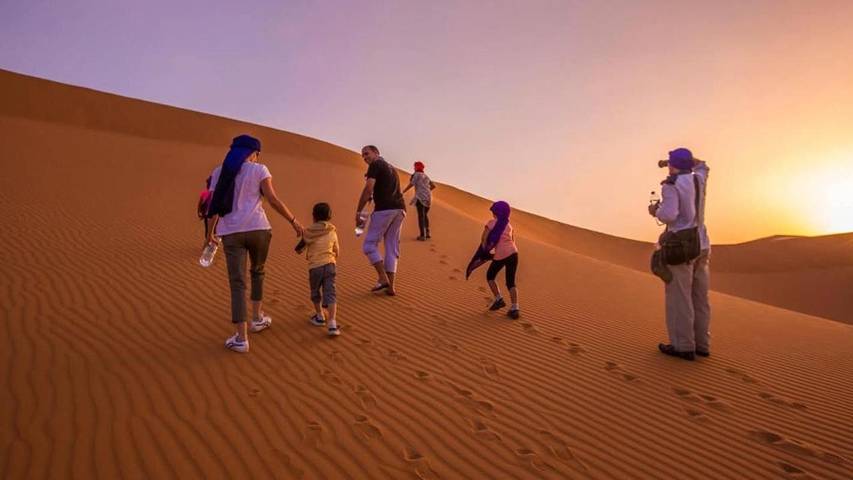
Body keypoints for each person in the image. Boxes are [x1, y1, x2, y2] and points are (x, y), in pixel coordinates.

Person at [206, 134, 304, 353]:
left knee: (237, 283)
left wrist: (209, 234)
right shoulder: (259, 169)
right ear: (254, 153)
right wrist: (293, 221)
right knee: (258, 272)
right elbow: (272, 199)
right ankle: (258, 318)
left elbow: (213, 206)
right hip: (259, 229)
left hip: (231, 233)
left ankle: (241, 339)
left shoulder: (219, 171)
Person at [648, 147, 711, 361]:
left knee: (679, 297)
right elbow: (703, 166)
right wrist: (682, 163)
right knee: (699, 297)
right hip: (701, 244)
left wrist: (655, 211)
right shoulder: (699, 179)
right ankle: (702, 344)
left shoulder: (671, 185)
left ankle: (683, 345)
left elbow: (669, 215)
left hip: (681, 246)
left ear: (674, 164)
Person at [355, 145, 406, 296]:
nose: (365, 158)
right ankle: (391, 287)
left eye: (367, 154)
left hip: (385, 209)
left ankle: (383, 278)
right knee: (391, 247)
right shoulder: (390, 168)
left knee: (369, 245)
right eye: (363, 156)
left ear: (376, 153)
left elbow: (368, 188)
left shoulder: (376, 164)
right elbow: (380, 189)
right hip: (400, 209)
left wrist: (358, 211)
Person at [296, 202, 341, 337]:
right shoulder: (332, 231)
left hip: (315, 267)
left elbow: (299, 249)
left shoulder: (309, 231)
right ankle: (332, 323)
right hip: (330, 265)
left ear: (314, 216)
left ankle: (320, 316)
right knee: (330, 292)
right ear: (329, 216)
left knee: (315, 292)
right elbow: (337, 250)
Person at [475, 201, 521, 319]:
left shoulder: (492, 223)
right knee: (510, 281)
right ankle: (515, 307)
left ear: (496, 212)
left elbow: (484, 237)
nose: (492, 214)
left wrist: (484, 251)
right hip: (514, 253)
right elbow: (512, 239)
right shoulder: (509, 225)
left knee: (490, 276)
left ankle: (498, 299)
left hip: (501, 254)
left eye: (493, 212)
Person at [402, 161, 436, 241]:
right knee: (425, 215)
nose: (414, 168)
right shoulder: (426, 176)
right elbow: (433, 186)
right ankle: (427, 233)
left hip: (420, 197)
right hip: (428, 198)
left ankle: (422, 235)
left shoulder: (417, 175)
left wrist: (403, 191)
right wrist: (427, 190)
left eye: (415, 166)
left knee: (421, 216)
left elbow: (412, 184)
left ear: (417, 167)